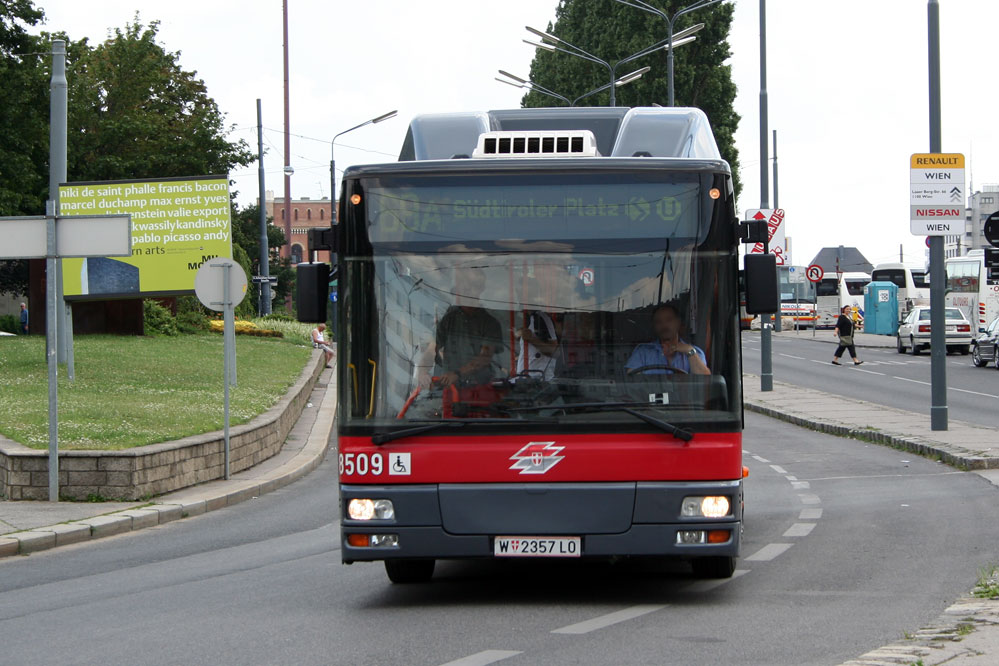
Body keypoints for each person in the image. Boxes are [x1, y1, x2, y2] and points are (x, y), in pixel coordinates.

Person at [417, 265, 503, 389]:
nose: (467, 291)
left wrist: (457, 374)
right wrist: (422, 373)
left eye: (473, 286)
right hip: (450, 389)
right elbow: (431, 350)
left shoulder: (490, 323)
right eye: (464, 287)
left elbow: (485, 358)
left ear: (480, 289)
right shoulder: (448, 319)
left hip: (481, 390)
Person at [625, 303, 710, 375]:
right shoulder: (642, 352)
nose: (664, 325)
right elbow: (632, 383)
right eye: (658, 322)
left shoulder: (694, 352)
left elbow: (704, 384)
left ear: (678, 322)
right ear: (654, 326)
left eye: (669, 320)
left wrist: (689, 350)